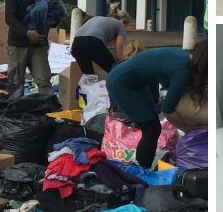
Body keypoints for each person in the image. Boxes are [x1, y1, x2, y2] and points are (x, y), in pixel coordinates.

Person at [105, 40, 208, 169]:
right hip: (122, 84)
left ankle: (143, 167)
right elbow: (168, 110)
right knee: (151, 131)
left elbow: (168, 85)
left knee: (152, 127)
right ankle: (142, 171)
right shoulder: (182, 71)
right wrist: (189, 128)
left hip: (134, 81)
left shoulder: (184, 58)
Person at [3, 0, 56, 94]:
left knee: (44, 81)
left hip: (38, 44)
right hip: (18, 44)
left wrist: (48, 23)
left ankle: (46, 112)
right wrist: (27, 32)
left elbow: (54, 14)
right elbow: (9, 17)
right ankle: (14, 112)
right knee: (15, 84)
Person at [71, 11, 128, 79]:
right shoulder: (121, 26)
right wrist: (126, 68)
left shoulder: (99, 19)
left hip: (76, 44)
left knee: (88, 77)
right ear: (124, 22)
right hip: (92, 42)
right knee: (115, 72)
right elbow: (119, 56)